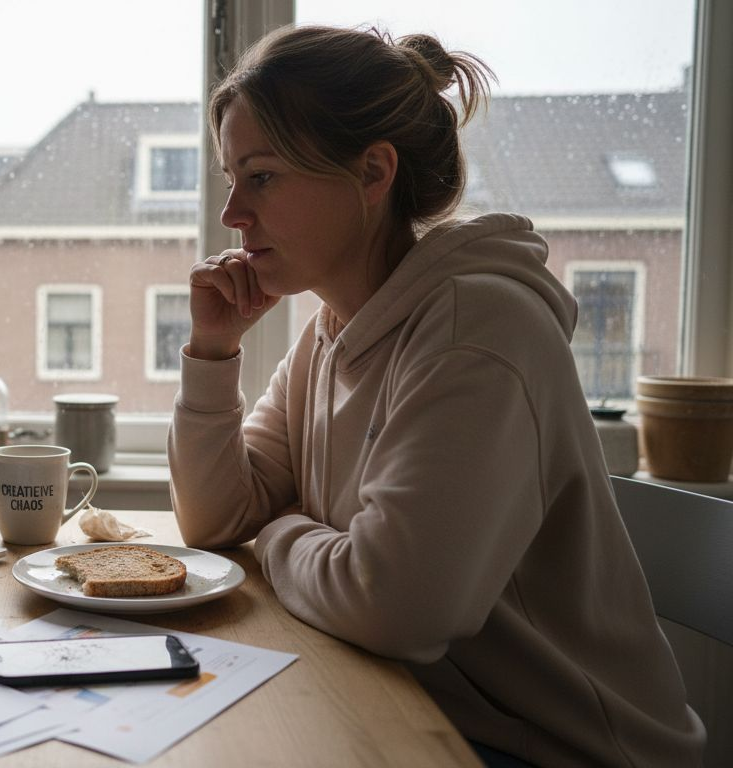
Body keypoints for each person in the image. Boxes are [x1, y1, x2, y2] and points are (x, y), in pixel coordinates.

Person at [168, 24, 706, 767]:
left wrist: (279, 532)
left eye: (261, 177)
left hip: (559, 748)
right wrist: (213, 351)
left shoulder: (476, 330)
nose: (233, 215)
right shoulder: (332, 332)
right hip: (427, 711)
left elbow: (395, 609)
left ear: (373, 172)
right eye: (231, 180)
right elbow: (213, 516)